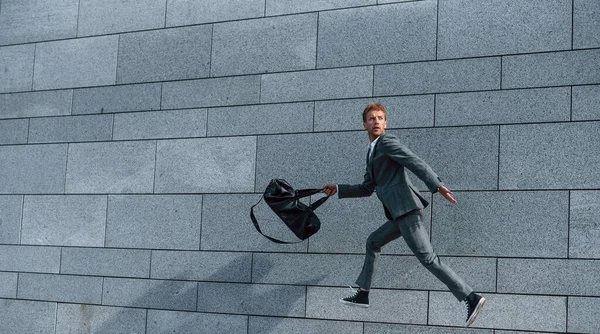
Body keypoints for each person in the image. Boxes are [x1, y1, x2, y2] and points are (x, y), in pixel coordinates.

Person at [322, 102, 485, 327]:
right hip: (399, 215)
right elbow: (367, 188)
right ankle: (363, 293)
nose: (376, 121)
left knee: (428, 258)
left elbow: (413, 160)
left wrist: (436, 185)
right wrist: (338, 189)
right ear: (364, 125)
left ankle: (471, 297)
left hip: (407, 210)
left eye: (380, 118)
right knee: (373, 242)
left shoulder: (387, 142)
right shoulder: (372, 151)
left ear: (386, 123)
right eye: (371, 118)